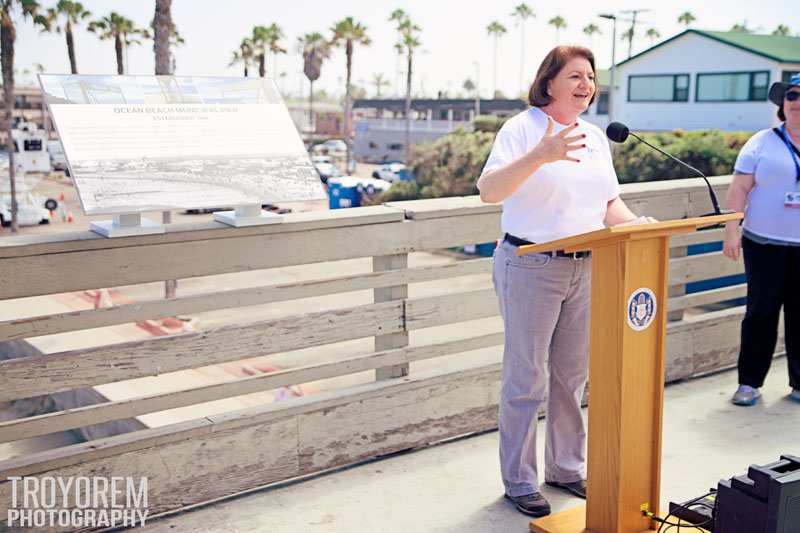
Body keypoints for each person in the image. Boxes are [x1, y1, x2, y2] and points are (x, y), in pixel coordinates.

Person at [477, 45, 646, 517]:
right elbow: (489, 191)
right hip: (530, 266)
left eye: (590, 77)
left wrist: (639, 227)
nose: (586, 84)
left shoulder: (593, 137)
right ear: (549, 82)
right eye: (575, 75)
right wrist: (542, 155)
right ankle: (519, 480)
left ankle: (566, 469)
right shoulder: (522, 129)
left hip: (586, 266)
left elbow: (608, 204)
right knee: (525, 379)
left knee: (571, 378)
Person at [723, 73, 800, 407]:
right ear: (783, 104)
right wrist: (731, 230)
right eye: (793, 96)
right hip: (763, 243)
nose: (798, 103)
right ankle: (749, 383)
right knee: (761, 312)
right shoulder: (761, 142)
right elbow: (739, 188)